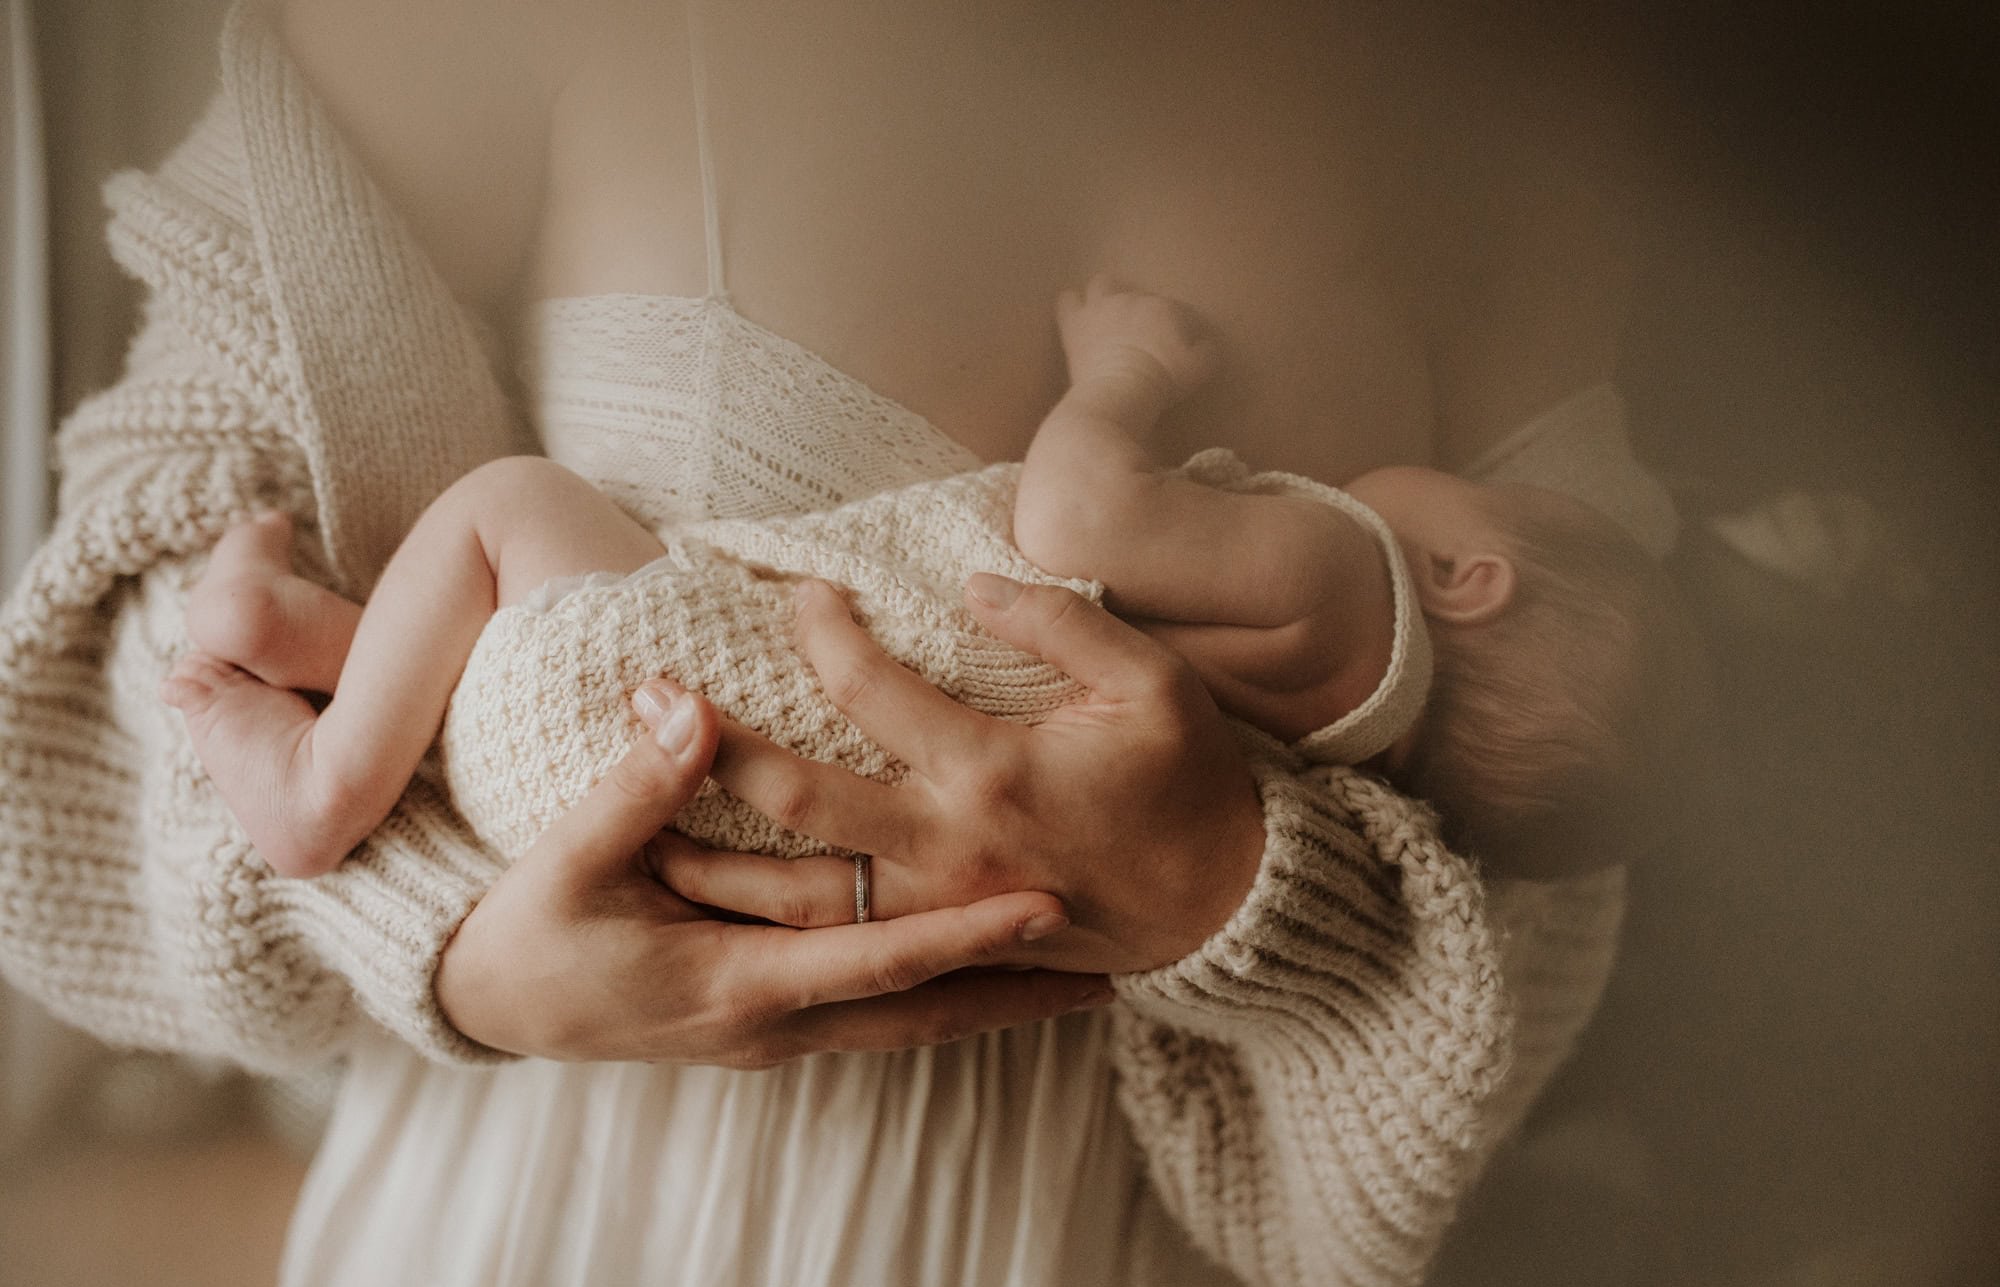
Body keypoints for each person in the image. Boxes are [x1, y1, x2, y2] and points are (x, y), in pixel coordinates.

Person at [0, 3, 1684, 1287]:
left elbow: (1572, 803)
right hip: (568, 1219)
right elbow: (103, 664)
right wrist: (447, 945)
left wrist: (1246, 897)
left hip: (1105, 1263)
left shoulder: (1518, 106)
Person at [165, 275, 1693, 895]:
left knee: (512, 511)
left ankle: (323, 772)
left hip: (662, 716)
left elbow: (1074, 510)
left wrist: (1128, 376)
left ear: (1472, 576)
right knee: (547, 607)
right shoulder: (1343, 753)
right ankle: (310, 640)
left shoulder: (1347, 576)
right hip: (686, 814)